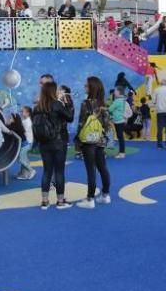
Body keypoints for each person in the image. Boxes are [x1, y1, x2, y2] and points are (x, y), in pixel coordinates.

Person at [32, 81, 74, 209]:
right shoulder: (57, 105)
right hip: (58, 142)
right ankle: (60, 201)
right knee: (59, 171)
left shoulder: (37, 107)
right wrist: (66, 103)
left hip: (44, 143)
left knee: (47, 171)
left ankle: (45, 201)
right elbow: (70, 117)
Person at [76, 76, 113, 208]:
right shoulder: (104, 104)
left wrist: (78, 140)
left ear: (91, 88)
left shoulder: (85, 104)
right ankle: (105, 195)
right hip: (100, 140)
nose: (84, 87)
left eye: (86, 86)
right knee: (102, 167)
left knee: (90, 170)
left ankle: (90, 199)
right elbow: (108, 125)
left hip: (88, 141)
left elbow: (81, 123)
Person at [14, 106, 35, 180]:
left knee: (21, 159)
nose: (21, 113)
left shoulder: (27, 122)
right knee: (24, 158)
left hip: (27, 143)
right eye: (21, 111)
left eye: (23, 112)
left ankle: (31, 170)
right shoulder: (25, 120)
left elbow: (23, 132)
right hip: (25, 143)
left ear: (28, 113)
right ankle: (23, 174)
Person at [109, 87, 128, 158]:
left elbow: (110, 109)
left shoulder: (118, 101)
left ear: (119, 92)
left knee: (120, 137)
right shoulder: (121, 100)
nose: (114, 92)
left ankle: (122, 153)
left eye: (115, 91)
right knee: (120, 137)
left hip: (118, 121)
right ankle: (121, 152)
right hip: (120, 120)